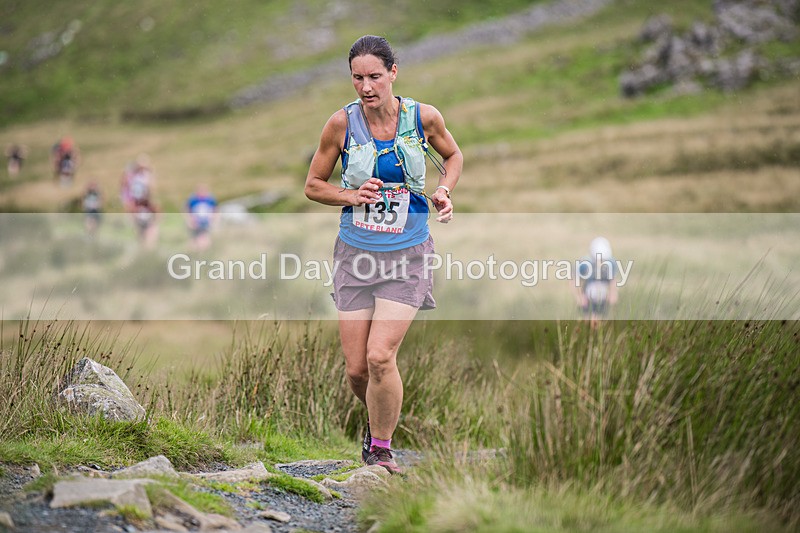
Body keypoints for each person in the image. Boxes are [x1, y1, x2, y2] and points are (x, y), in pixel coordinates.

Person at [304, 35, 463, 474]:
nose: (366, 86)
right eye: (358, 78)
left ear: (393, 73)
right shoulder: (340, 124)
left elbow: (453, 156)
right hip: (355, 254)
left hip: (408, 254)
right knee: (357, 370)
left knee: (379, 357)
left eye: (375, 76)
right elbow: (313, 185)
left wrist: (444, 190)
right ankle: (380, 414)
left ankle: (380, 448)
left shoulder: (422, 117)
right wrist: (350, 195)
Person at [574, 236, 619, 329]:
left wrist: (613, 293)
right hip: (588, 299)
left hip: (603, 299)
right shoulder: (585, 264)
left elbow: (613, 281)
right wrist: (579, 296)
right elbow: (574, 280)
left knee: (602, 324)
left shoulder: (611, 264)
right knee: (589, 323)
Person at [185, 184, 218, 251]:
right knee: (194, 239)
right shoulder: (193, 199)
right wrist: (190, 220)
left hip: (206, 222)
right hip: (195, 222)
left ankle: (205, 253)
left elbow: (215, 209)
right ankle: (193, 254)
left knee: (205, 238)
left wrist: (214, 219)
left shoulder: (210, 199)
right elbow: (187, 209)